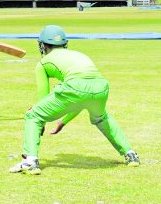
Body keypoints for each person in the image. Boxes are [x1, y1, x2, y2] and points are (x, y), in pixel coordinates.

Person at [9, 25, 139, 175]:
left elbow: (44, 99)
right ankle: (130, 154)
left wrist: (41, 122)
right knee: (101, 118)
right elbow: (82, 98)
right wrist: (63, 122)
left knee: (33, 115)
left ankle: (30, 161)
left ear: (43, 45)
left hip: (74, 87)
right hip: (101, 87)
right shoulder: (78, 54)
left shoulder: (43, 64)